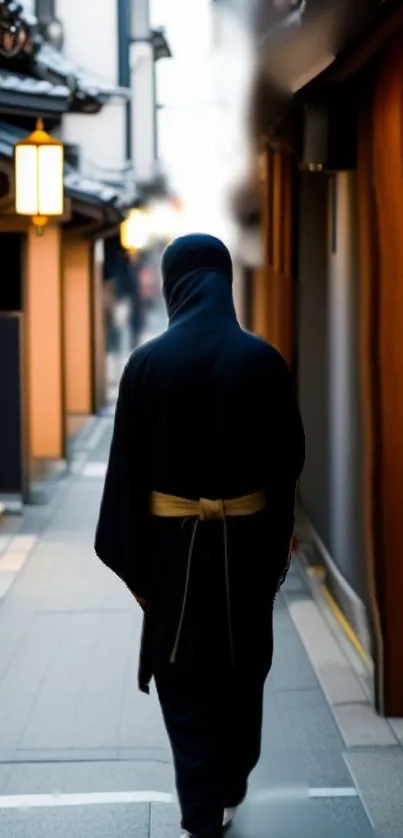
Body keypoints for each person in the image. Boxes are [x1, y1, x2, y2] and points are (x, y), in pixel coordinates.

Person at [94, 234, 305, 838]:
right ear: (224, 282)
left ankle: (200, 812)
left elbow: (126, 476)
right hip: (245, 553)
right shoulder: (263, 361)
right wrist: (275, 538)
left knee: (184, 681)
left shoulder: (147, 364)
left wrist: (138, 574)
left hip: (170, 557)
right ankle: (230, 783)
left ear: (172, 284)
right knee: (242, 673)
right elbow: (287, 459)